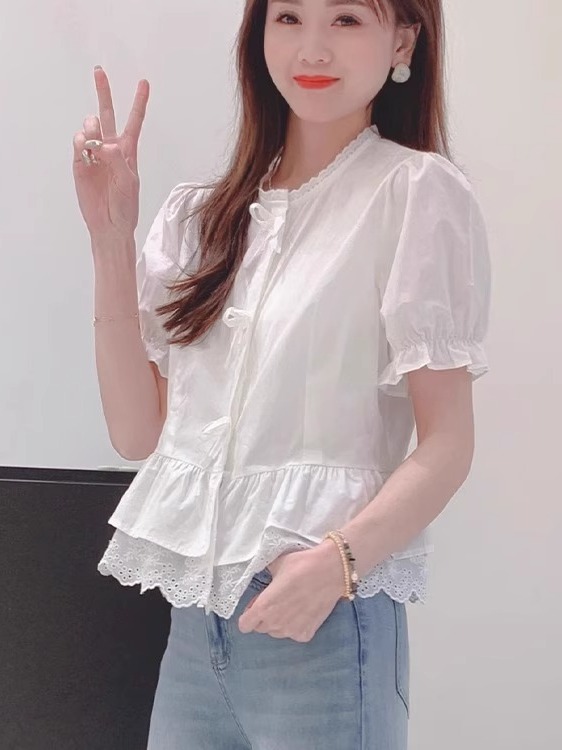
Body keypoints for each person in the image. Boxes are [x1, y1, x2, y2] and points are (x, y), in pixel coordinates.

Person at [72, 1, 492, 747]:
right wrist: (111, 239)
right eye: (289, 17)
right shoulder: (200, 216)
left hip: (324, 623)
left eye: (347, 20)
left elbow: (448, 443)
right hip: (194, 627)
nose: (313, 48)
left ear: (403, 40)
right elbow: (138, 433)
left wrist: (336, 566)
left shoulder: (412, 195)